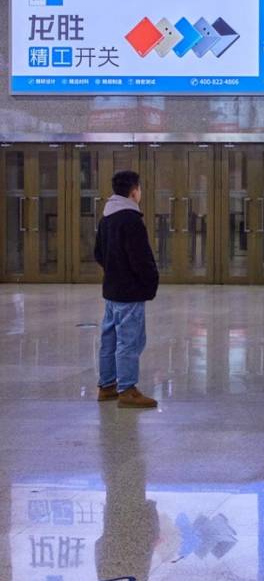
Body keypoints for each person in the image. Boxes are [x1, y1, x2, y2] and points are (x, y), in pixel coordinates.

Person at [93, 170, 160, 409]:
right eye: (139, 189)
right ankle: (128, 390)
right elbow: (141, 258)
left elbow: (98, 253)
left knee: (109, 340)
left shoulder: (106, 218)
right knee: (129, 341)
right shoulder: (131, 220)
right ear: (134, 191)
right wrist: (150, 281)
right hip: (130, 291)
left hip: (112, 289)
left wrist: (114, 270)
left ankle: (107, 385)